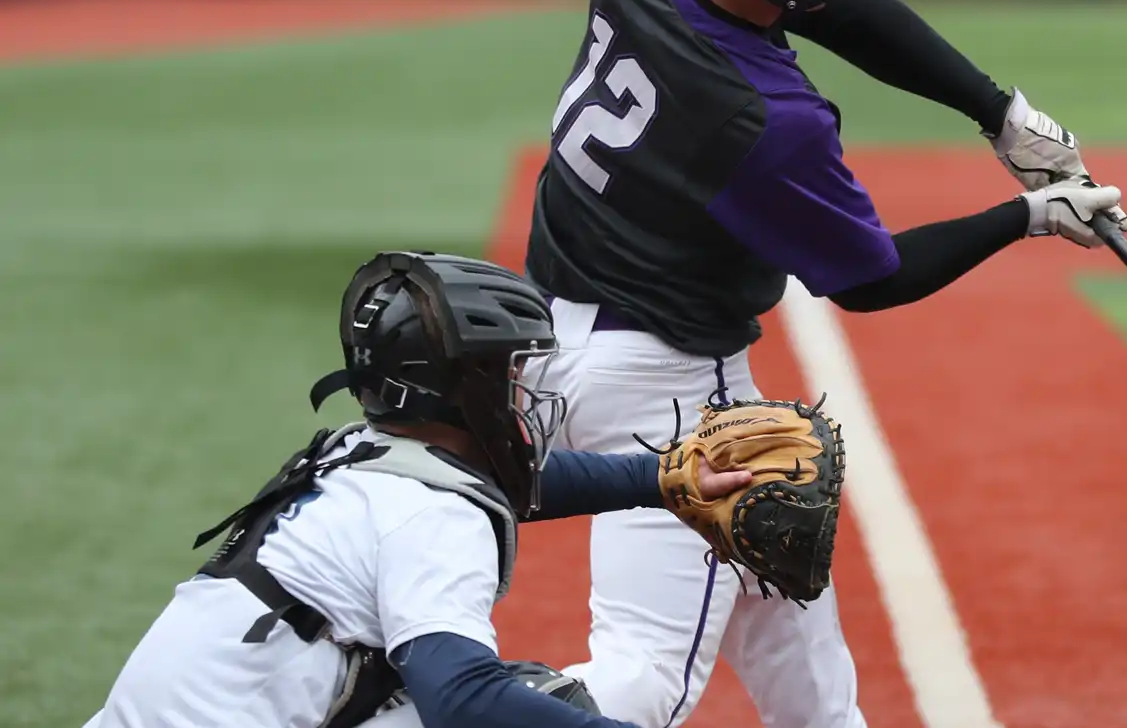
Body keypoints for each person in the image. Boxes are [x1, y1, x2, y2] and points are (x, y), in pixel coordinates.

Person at [526, 0, 1126, 727]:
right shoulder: (765, 122)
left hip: (551, 336)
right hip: (666, 390)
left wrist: (996, 112)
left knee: (785, 608)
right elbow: (870, 278)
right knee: (646, 677)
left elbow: (821, 0)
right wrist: (1029, 215)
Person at [84, 251, 756, 728]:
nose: (518, 390)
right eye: (504, 372)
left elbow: (516, 482)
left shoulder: (357, 452)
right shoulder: (433, 519)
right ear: (457, 390)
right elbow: (458, 697)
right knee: (532, 705)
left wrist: (666, 477)